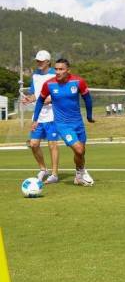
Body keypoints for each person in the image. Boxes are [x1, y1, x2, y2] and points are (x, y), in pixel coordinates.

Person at [30, 58, 95, 186]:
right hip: (62, 124)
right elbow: (39, 101)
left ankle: (78, 176)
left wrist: (89, 116)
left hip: (78, 123)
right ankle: (82, 172)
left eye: (61, 69)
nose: (58, 72)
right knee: (79, 149)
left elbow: (87, 99)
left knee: (81, 151)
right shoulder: (49, 84)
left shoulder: (78, 81)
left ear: (68, 70)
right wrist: (35, 120)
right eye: (56, 69)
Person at [21, 50, 60, 183]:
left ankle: (54, 174)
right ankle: (43, 169)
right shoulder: (35, 75)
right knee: (33, 144)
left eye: (41, 61)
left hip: (52, 115)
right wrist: (29, 99)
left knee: (52, 144)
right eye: (37, 60)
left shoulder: (55, 75)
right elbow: (35, 95)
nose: (39, 63)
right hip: (38, 116)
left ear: (48, 62)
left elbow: (59, 94)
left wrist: (51, 99)